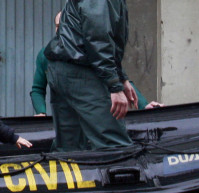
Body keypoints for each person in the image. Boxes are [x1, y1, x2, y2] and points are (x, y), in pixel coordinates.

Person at [43, 0, 139, 151]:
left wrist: (122, 78)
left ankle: (66, 184)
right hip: (79, 72)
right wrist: (114, 86)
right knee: (115, 144)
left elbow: (105, 40)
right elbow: (98, 39)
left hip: (63, 69)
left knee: (70, 149)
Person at [31, 11, 160, 116]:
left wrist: (144, 105)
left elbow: (119, 79)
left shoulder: (93, 52)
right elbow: (38, 88)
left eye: (66, 26)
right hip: (66, 120)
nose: (62, 30)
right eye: (58, 26)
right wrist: (41, 113)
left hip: (97, 116)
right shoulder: (45, 55)